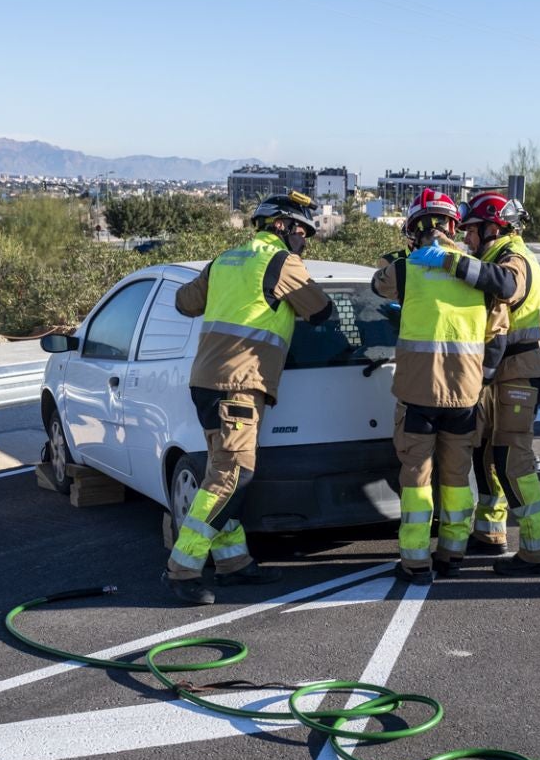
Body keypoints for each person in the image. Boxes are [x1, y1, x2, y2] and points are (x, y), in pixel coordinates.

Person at [163, 191, 336, 605]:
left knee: (220, 472)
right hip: (239, 385)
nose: (305, 241)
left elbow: (184, 302)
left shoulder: (225, 260)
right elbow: (322, 311)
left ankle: (233, 563)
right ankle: (182, 569)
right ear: (282, 226)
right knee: (233, 477)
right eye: (302, 232)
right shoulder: (281, 262)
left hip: (205, 382)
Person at [372, 189, 490, 584]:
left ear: (414, 231)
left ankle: (415, 559)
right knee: (456, 475)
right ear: (453, 227)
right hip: (464, 395)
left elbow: (376, 285)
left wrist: (402, 261)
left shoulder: (407, 269)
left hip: (418, 395)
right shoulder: (478, 270)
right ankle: (453, 551)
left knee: (417, 478)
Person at [458, 192, 540, 576]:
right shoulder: (496, 254)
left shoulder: (511, 257)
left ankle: (538, 549)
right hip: (503, 372)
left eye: (471, 231)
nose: (467, 239)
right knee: (484, 453)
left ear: (493, 227)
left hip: (518, 371)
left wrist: (455, 265)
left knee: (511, 459)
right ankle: (489, 532)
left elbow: (506, 286)